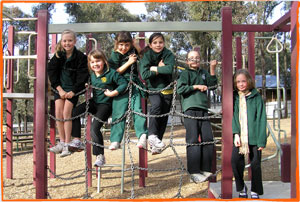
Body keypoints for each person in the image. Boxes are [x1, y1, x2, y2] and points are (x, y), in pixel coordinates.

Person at [70, 49, 128, 166]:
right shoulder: (90, 75)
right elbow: (82, 83)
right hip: (94, 102)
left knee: (94, 128)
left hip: (105, 105)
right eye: (92, 62)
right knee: (74, 112)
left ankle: (100, 156)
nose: (95, 64)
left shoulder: (111, 73)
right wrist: (86, 85)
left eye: (98, 61)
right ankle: (77, 140)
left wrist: (114, 92)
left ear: (104, 61)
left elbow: (124, 83)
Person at [177, 50, 218, 183]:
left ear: (200, 60)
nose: (194, 60)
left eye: (197, 58)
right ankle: (194, 172)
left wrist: (212, 69)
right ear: (187, 61)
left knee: (208, 139)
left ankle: (205, 169)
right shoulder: (185, 73)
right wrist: (195, 86)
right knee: (193, 139)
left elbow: (212, 85)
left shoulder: (203, 73)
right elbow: (180, 89)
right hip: (190, 109)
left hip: (203, 109)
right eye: (191, 58)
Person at [48, 29, 89, 157]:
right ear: (62, 41)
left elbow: (82, 76)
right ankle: (61, 141)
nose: (67, 43)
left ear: (75, 41)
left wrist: (74, 91)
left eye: (70, 40)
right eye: (65, 41)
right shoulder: (58, 56)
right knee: (58, 113)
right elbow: (52, 73)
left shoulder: (81, 57)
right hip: (59, 89)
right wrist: (59, 89)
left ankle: (67, 143)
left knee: (67, 113)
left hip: (72, 90)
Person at [107, 31, 147, 150]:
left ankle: (142, 135)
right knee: (119, 113)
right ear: (116, 43)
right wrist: (129, 62)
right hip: (120, 85)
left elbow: (144, 55)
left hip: (134, 84)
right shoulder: (114, 55)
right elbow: (113, 73)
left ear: (131, 44)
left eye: (127, 45)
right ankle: (115, 140)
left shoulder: (132, 51)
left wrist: (136, 45)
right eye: (121, 45)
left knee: (138, 110)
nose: (124, 48)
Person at [231, 69, 267, 199]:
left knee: (256, 164)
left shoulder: (256, 97)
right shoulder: (234, 97)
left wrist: (261, 140)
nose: (241, 84)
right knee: (235, 162)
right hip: (240, 136)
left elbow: (261, 118)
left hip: (255, 136)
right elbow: (234, 116)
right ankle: (241, 188)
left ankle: (255, 190)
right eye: (238, 82)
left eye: (243, 81)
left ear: (249, 81)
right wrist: (236, 134)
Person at [139, 32, 175, 154]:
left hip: (167, 89)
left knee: (163, 116)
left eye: (160, 42)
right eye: (155, 43)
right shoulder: (147, 55)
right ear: (150, 44)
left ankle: (156, 144)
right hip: (154, 89)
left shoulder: (168, 54)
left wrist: (153, 68)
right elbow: (144, 74)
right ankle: (152, 135)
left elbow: (169, 69)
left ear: (164, 43)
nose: (158, 45)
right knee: (156, 106)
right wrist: (159, 70)